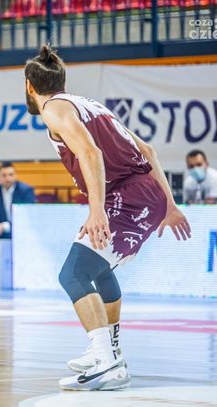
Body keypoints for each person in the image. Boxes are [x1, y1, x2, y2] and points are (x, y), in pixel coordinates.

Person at [25, 45, 191, 391]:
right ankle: (110, 351)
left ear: (29, 86)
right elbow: (147, 150)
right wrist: (169, 204)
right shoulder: (89, 104)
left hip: (126, 196)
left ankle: (107, 362)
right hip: (141, 193)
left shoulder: (53, 109)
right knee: (99, 270)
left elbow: (90, 152)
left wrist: (97, 209)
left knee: (74, 274)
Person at [0, 162, 35, 239]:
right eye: (4, 175)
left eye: (11, 175)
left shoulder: (26, 191)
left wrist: (3, 227)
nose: (8, 179)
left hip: (20, 230)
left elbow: (27, 217)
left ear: (16, 175)